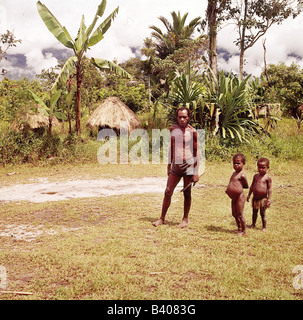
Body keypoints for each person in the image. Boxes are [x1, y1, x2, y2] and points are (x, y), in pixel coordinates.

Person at [152, 107, 200, 228]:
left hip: (188, 165)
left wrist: (196, 172)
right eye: (180, 117)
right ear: (177, 117)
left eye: (184, 117)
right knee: (168, 191)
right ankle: (162, 218)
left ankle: (185, 219)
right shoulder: (173, 129)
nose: (182, 119)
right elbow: (171, 148)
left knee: (187, 192)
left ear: (189, 117)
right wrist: (169, 165)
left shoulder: (193, 132)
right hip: (176, 167)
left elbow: (196, 152)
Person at [225, 153, 249, 236]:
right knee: (234, 213)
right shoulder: (234, 173)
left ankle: (244, 231)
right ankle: (239, 227)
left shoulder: (242, 175)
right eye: (234, 163)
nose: (236, 165)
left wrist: (238, 189)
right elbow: (231, 182)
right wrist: (228, 189)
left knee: (240, 214)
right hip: (233, 197)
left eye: (238, 163)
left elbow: (246, 185)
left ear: (243, 164)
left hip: (239, 197)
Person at [247, 157, 272, 232]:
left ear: (268, 168)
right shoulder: (255, 176)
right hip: (255, 198)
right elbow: (252, 186)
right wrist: (249, 195)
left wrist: (269, 199)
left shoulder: (267, 177)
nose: (261, 169)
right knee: (254, 212)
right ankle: (253, 224)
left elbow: (269, 189)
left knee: (262, 213)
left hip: (263, 199)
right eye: (259, 167)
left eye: (263, 167)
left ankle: (264, 227)